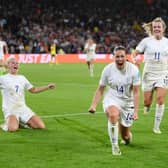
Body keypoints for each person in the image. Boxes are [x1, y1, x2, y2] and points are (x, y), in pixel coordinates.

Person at [88, 46, 140, 155]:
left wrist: (135, 111)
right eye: (117, 56)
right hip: (112, 98)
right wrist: (93, 105)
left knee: (125, 137)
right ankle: (114, 146)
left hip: (127, 102)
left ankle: (126, 137)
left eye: (122, 56)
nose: (120, 59)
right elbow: (100, 89)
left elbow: (136, 92)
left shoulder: (134, 70)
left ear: (126, 57)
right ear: (113, 57)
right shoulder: (107, 69)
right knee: (113, 115)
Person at [0, 57, 56, 132]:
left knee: (41, 126)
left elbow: (34, 90)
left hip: (22, 108)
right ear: (8, 65)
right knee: (13, 129)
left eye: (17, 63)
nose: (15, 64)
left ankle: (20, 122)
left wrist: (47, 87)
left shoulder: (22, 78)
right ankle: (5, 125)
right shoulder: (3, 78)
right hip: (10, 109)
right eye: (13, 63)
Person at [132, 17, 168, 134]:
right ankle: (147, 106)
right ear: (152, 29)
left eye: (159, 27)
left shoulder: (167, 42)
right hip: (148, 73)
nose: (157, 28)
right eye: (155, 27)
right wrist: (134, 59)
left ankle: (156, 127)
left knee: (160, 99)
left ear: (163, 28)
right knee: (147, 101)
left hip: (163, 72)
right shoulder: (146, 41)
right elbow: (135, 53)